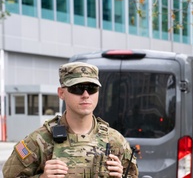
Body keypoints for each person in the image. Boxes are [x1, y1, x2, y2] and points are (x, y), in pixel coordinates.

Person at [2, 62, 139, 178]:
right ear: (61, 93)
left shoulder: (116, 141)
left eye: (92, 89)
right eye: (77, 89)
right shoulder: (40, 140)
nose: (85, 95)